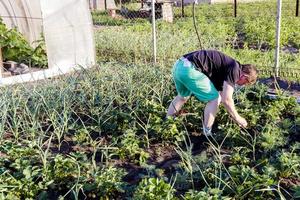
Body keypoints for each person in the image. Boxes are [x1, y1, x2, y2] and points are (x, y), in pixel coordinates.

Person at [166, 49, 258, 136]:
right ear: (244, 76)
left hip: (178, 66)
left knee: (182, 97)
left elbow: (223, 94)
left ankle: (167, 123)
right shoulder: (235, 69)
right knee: (215, 99)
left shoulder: (227, 68)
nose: (241, 85)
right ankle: (207, 133)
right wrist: (238, 118)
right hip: (189, 70)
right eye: (245, 83)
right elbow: (226, 99)